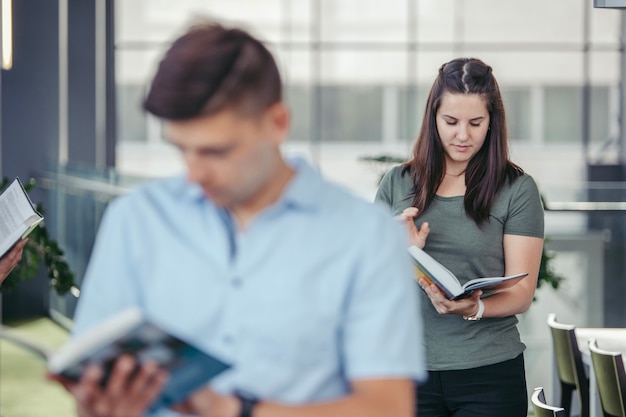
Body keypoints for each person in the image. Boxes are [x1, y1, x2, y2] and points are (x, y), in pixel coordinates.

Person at [53, 22, 426, 417]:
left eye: (216, 152)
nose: (195, 174)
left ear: (277, 123)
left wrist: (231, 410)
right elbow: (91, 385)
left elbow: (387, 407)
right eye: (182, 149)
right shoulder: (135, 220)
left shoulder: (367, 236)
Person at [375, 57, 544, 417]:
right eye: (450, 122)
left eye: (475, 123)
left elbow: (521, 292)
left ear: (492, 123)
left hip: (489, 376)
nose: (462, 135)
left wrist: (475, 307)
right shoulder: (397, 183)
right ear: (433, 118)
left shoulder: (517, 190)